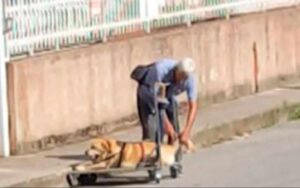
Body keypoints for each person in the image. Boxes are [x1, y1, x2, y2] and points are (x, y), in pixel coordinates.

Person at [131, 58, 197, 149]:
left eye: (185, 77)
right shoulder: (161, 70)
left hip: (167, 96)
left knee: (174, 128)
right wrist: (167, 125)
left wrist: (187, 131)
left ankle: (172, 155)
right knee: (153, 131)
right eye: (181, 76)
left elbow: (193, 106)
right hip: (148, 92)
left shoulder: (190, 80)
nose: (182, 80)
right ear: (176, 70)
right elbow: (157, 103)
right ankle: (150, 157)